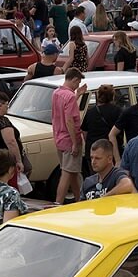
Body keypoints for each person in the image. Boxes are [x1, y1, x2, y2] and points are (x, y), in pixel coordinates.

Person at [52, 68, 87, 204]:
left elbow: (62, 111)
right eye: (78, 82)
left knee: (73, 173)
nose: (77, 85)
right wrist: (74, 143)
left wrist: (78, 94)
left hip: (59, 137)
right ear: (74, 79)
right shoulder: (70, 96)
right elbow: (69, 120)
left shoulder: (57, 93)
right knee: (67, 172)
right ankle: (58, 202)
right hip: (69, 139)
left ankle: (80, 199)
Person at [82, 84, 123, 175]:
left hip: (93, 150)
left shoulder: (90, 112)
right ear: (112, 97)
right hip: (110, 151)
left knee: (95, 178)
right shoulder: (117, 111)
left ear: (98, 95)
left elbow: (84, 132)